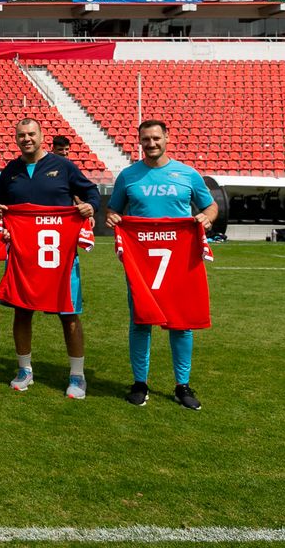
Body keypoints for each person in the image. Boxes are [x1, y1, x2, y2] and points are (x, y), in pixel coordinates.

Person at [106, 119, 218, 411]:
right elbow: (114, 210)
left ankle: (182, 385)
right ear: (139, 141)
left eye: (156, 138)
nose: (151, 144)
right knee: (140, 322)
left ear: (167, 137)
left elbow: (210, 206)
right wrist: (113, 218)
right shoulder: (129, 176)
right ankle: (139, 383)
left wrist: (207, 217)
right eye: (146, 139)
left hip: (180, 261)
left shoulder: (188, 174)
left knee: (181, 324)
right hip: (142, 264)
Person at [0, 118, 100, 399]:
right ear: (16, 139)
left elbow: (91, 191)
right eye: (21, 135)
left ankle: (77, 375)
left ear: (42, 136)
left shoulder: (63, 166)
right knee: (22, 310)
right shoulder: (11, 171)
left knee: (69, 315)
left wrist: (91, 205)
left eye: (31, 134)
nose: (26, 139)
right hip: (24, 257)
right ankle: (24, 369)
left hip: (61, 258)